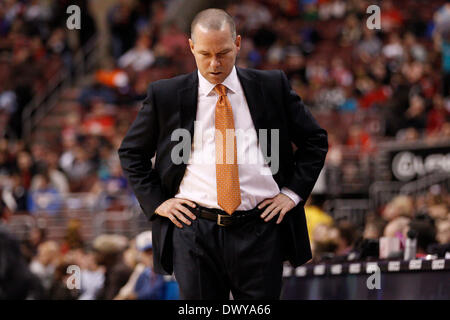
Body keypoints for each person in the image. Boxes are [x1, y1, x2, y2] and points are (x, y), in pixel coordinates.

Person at [118, 8, 328, 300]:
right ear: (191, 46)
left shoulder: (272, 86)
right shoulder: (165, 95)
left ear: (238, 43)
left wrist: (292, 194)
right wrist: (159, 202)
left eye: (224, 53)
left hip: (261, 228)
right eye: (205, 54)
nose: (215, 63)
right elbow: (131, 152)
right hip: (194, 230)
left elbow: (315, 141)